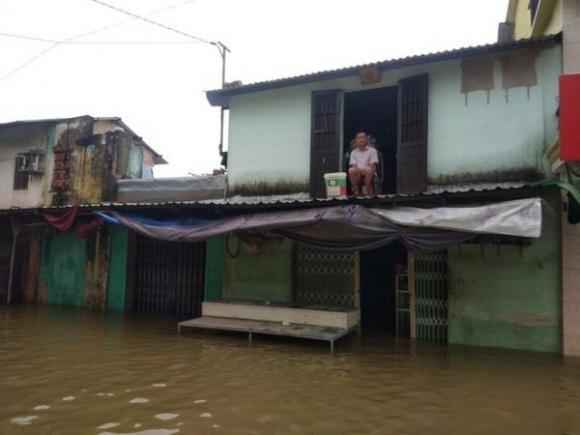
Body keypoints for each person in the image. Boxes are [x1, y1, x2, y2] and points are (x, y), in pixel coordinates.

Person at [348, 131, 378, 196]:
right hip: (358, 171)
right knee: (351, 170)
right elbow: (353, 165)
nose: (362, 139)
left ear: (367, 139)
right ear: (356, 141)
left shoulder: (372, 150)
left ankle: (366, 191)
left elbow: (373, 165)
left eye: (363, 137)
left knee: (368, 169)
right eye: (359, 138)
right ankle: (356, 191)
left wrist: (366, 169)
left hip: (369, 171)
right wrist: (361, 170)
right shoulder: (353, 152)